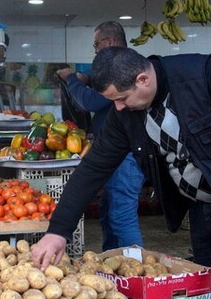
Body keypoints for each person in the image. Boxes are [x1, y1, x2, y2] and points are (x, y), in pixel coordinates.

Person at [32, 47, 211, 299]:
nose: (117, 107)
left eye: (121, 98)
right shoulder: (127, 114)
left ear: (143, 79)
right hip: (203, 204)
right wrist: (58, 231)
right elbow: (94, 168)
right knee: (206, 292)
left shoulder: (204, 76)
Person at [56, 21, 145, 251]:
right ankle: (113, 265)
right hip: (113, 151)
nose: (95, 50)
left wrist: (71, 79)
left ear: (110, 42)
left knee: (122, 214)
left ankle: (134, 272)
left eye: (96, 44)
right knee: (109, 211)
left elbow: (91, 101)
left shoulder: (122, 66)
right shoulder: (123, 65)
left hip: (127, 154)